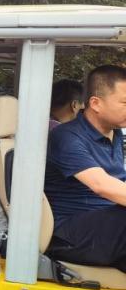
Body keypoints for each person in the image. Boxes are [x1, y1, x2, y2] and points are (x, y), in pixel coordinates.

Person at [43, 65, 126, 272]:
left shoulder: (115, 133)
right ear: (96, 103)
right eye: (125, 103)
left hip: (106, 228)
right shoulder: (67, 137)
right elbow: (102, 185)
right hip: (69, 235)